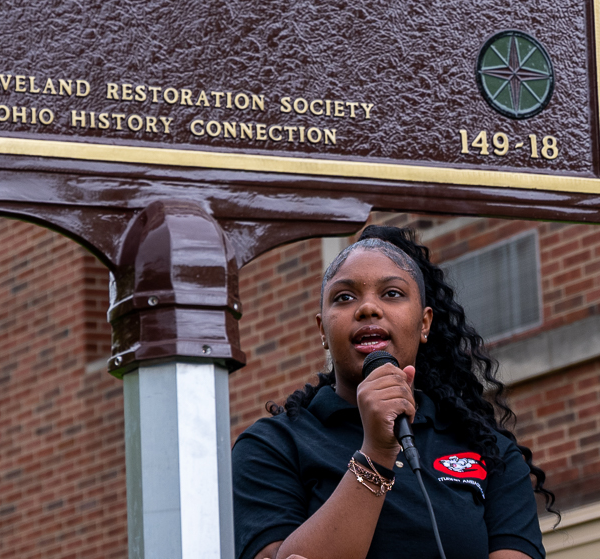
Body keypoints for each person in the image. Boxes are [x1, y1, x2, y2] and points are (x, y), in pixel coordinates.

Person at [232, 225, 552, 559]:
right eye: (344, 297)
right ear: (322, 329)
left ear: (425, 323)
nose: (368, 309)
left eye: (392, 293)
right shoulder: (272, 445)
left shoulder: (489, 450)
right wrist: (376, 454)